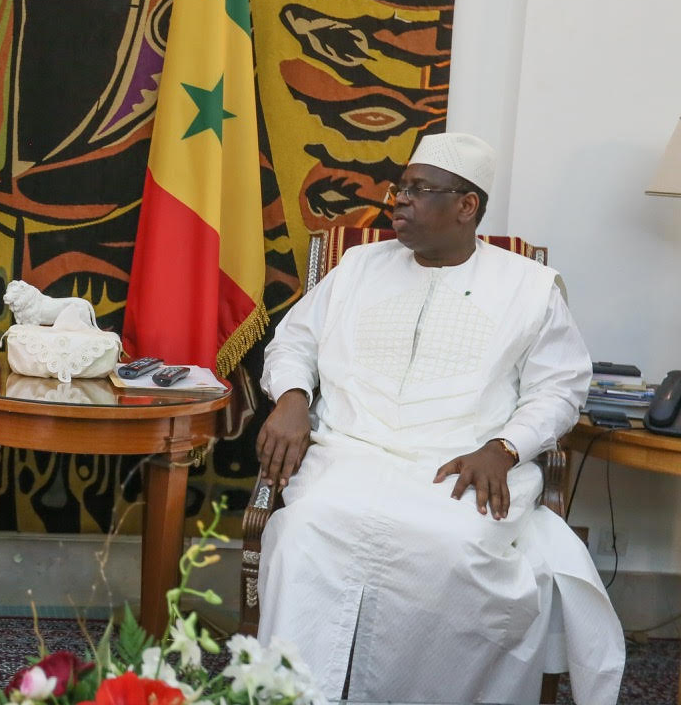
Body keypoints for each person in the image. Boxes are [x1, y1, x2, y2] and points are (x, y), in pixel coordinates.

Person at [256, 133, 624, 704]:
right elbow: (292, 344)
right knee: (306, 533)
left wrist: (503, 449)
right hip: (350, 454)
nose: (397, 201)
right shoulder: (357, 266)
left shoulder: (528, 289)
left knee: (457, 547)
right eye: (399, 188)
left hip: (460, 464)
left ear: (465, 206)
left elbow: (559, 390)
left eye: (418, 190)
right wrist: (292, 399)